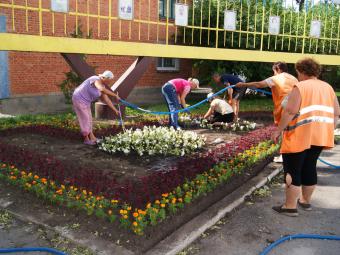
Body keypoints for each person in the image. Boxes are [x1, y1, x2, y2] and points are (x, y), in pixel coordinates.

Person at [271, 58, 340, 217]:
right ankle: (305, 201)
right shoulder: (327, 87)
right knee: (309, 167)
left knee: (292, 171)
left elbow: (290, 111)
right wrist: (329, 128)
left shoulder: (300, 87)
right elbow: (336, 112)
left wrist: (277, 131)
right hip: (320, 136)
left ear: (301, 71)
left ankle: (290, 207)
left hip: (299, 136)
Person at [236, 62, 298, 163]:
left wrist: (243, 84)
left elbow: (258, 84)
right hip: (297, 106)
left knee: (284, 131)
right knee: (293, 131)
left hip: (285, 106)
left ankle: (284, 156)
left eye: (274, 71)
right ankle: (293, 154)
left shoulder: (276, 78)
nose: (273, 74)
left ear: (277, 70)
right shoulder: (294, 78)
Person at [72, 70, 120, 145]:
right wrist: (115, 95)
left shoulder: (103, 86)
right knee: (85, 119)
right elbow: (101, 89)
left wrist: (115, 110)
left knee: (89, 119)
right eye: (109, 80)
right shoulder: (95, 79)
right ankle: (86, 139)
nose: (109, 82)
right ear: (104, 78)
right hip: (78, 98)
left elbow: (107, 100)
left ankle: (92, 137)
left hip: (86, 102)